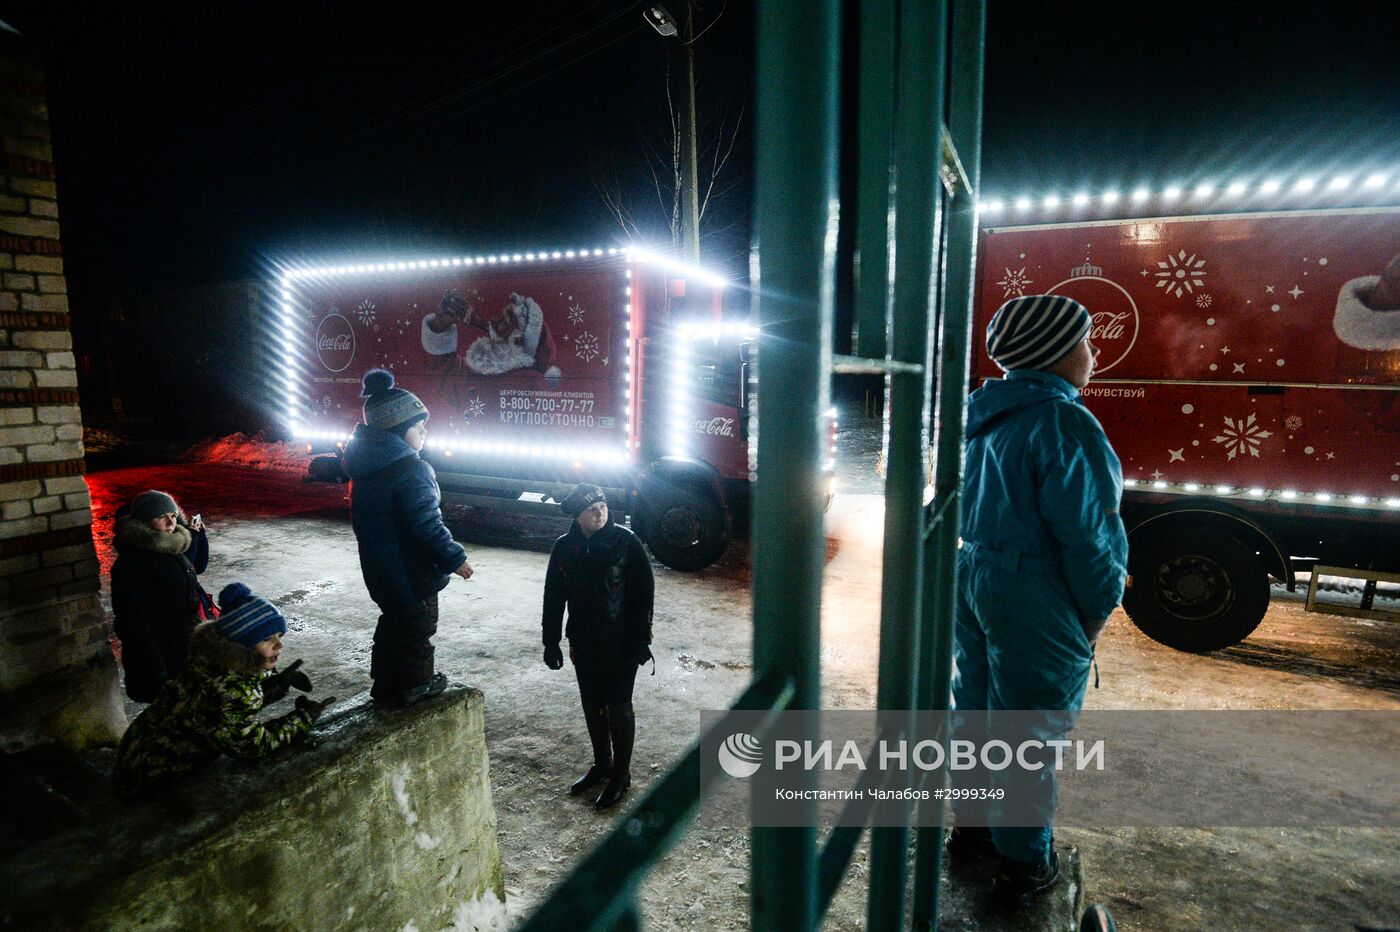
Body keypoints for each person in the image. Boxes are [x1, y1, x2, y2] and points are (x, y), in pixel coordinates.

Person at [946, 294, 1129, 899]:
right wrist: (1098, 610)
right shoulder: (1062, 421)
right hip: (1032, 587)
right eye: (1085, 341)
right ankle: (1025, 862)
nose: (1094, 352)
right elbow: (1090, 533)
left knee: (974, 713)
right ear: (1055, 354)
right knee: (1027, 734)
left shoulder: (983, 413)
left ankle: (972, 830)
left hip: (972, 574)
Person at [112, 583, 333, 797]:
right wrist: (302, 719)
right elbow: (250, 746)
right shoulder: (229, 688)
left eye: (279, 636)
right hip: (153, 776)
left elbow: (226, 708)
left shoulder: (211, 662)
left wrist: (274, 686)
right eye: (267, 638)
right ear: (243, 646)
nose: (279, 645)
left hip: (134, 752)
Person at [345, 368, 474, 706]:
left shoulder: (366, 469)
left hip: (380, 570)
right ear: (399, 431)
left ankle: (385, 683)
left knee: (393, 624)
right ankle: (415, 684)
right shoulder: (412, 471)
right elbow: (428, 526)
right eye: (419, 426)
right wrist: (455, 559)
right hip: (411, 572)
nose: (424, 432)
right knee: (418, 628)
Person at [541, 484, 654, 810]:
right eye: (591, 509)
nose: (599, 512)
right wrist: (551, 641)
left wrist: (641, 639)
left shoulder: (626, 542)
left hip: (621, 644)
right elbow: (553, 597)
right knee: (592, 703)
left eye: (602, 505)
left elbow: (643, 593)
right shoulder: (564, 548)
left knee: (619, 707)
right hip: (583, 641)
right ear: (577, 516)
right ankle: (602, 763)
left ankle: (621, 773)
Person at [111, 490, 215, 702]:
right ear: (144, 521)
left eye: (174, 516)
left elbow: (196, 569)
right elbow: (132, 622)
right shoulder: (133, 563)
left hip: (183, 644)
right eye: (161, 517)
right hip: (162, 653)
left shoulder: (171, 548)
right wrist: (155, 669)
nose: (170, 523)